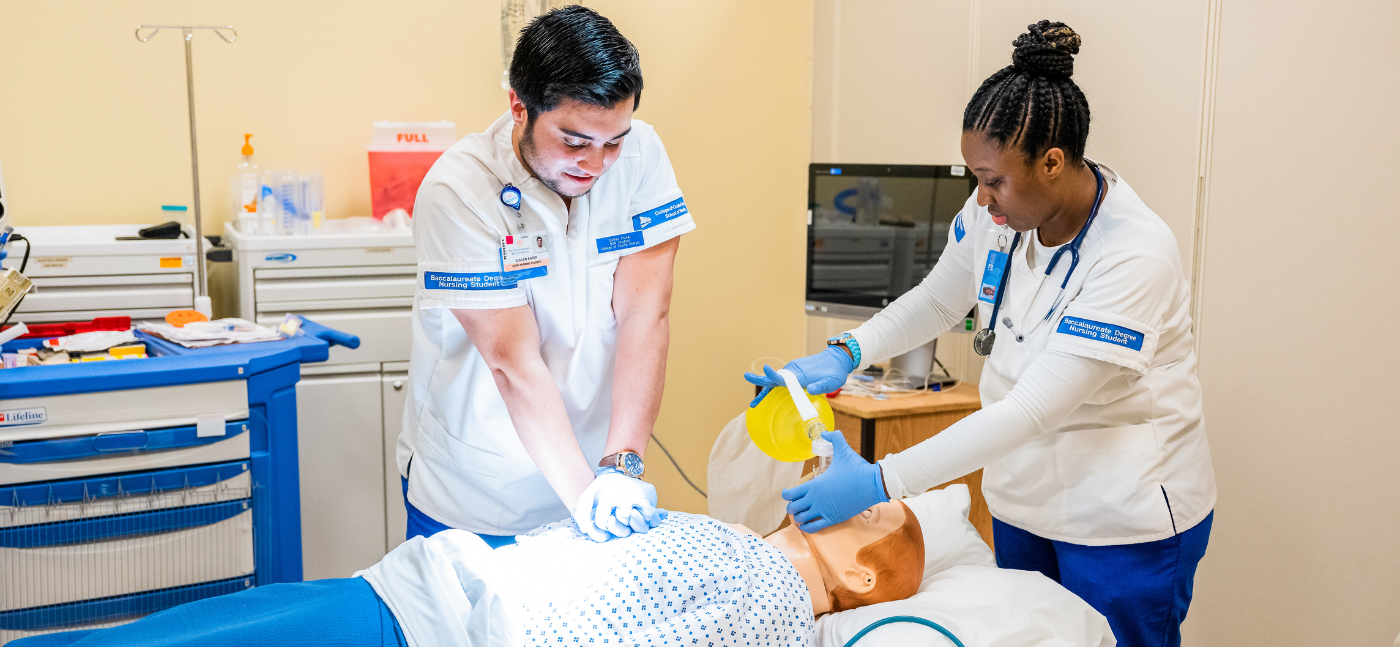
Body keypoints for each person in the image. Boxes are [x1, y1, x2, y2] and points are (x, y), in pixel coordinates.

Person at [746, 21, 1215, 647]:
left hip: (1121, 518)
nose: (981, 197)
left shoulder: (1133, 256)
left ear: (1052, 162)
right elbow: (940, 298)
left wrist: (880, 483)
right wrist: (847, 352)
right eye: (975, 177)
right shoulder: (995, 212)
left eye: (993, 180)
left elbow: (1030, 410)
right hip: (1024, 501)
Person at [402, 6, 695, 546]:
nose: (597, 164)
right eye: (575, 142)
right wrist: (589, 505)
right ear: (519, 106)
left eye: (613, 141)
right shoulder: (460, 191)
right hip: (480, 493)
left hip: (596, 467)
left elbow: (644, 314)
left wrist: (622, 465)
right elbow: (513, 365)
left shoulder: (641, 155)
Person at [13, 502, 924, 647]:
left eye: (872, 509)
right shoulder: (734, 538)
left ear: (862, 575)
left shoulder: (773, 603)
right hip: (431, 591)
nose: (851, 491)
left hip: (440, 624)